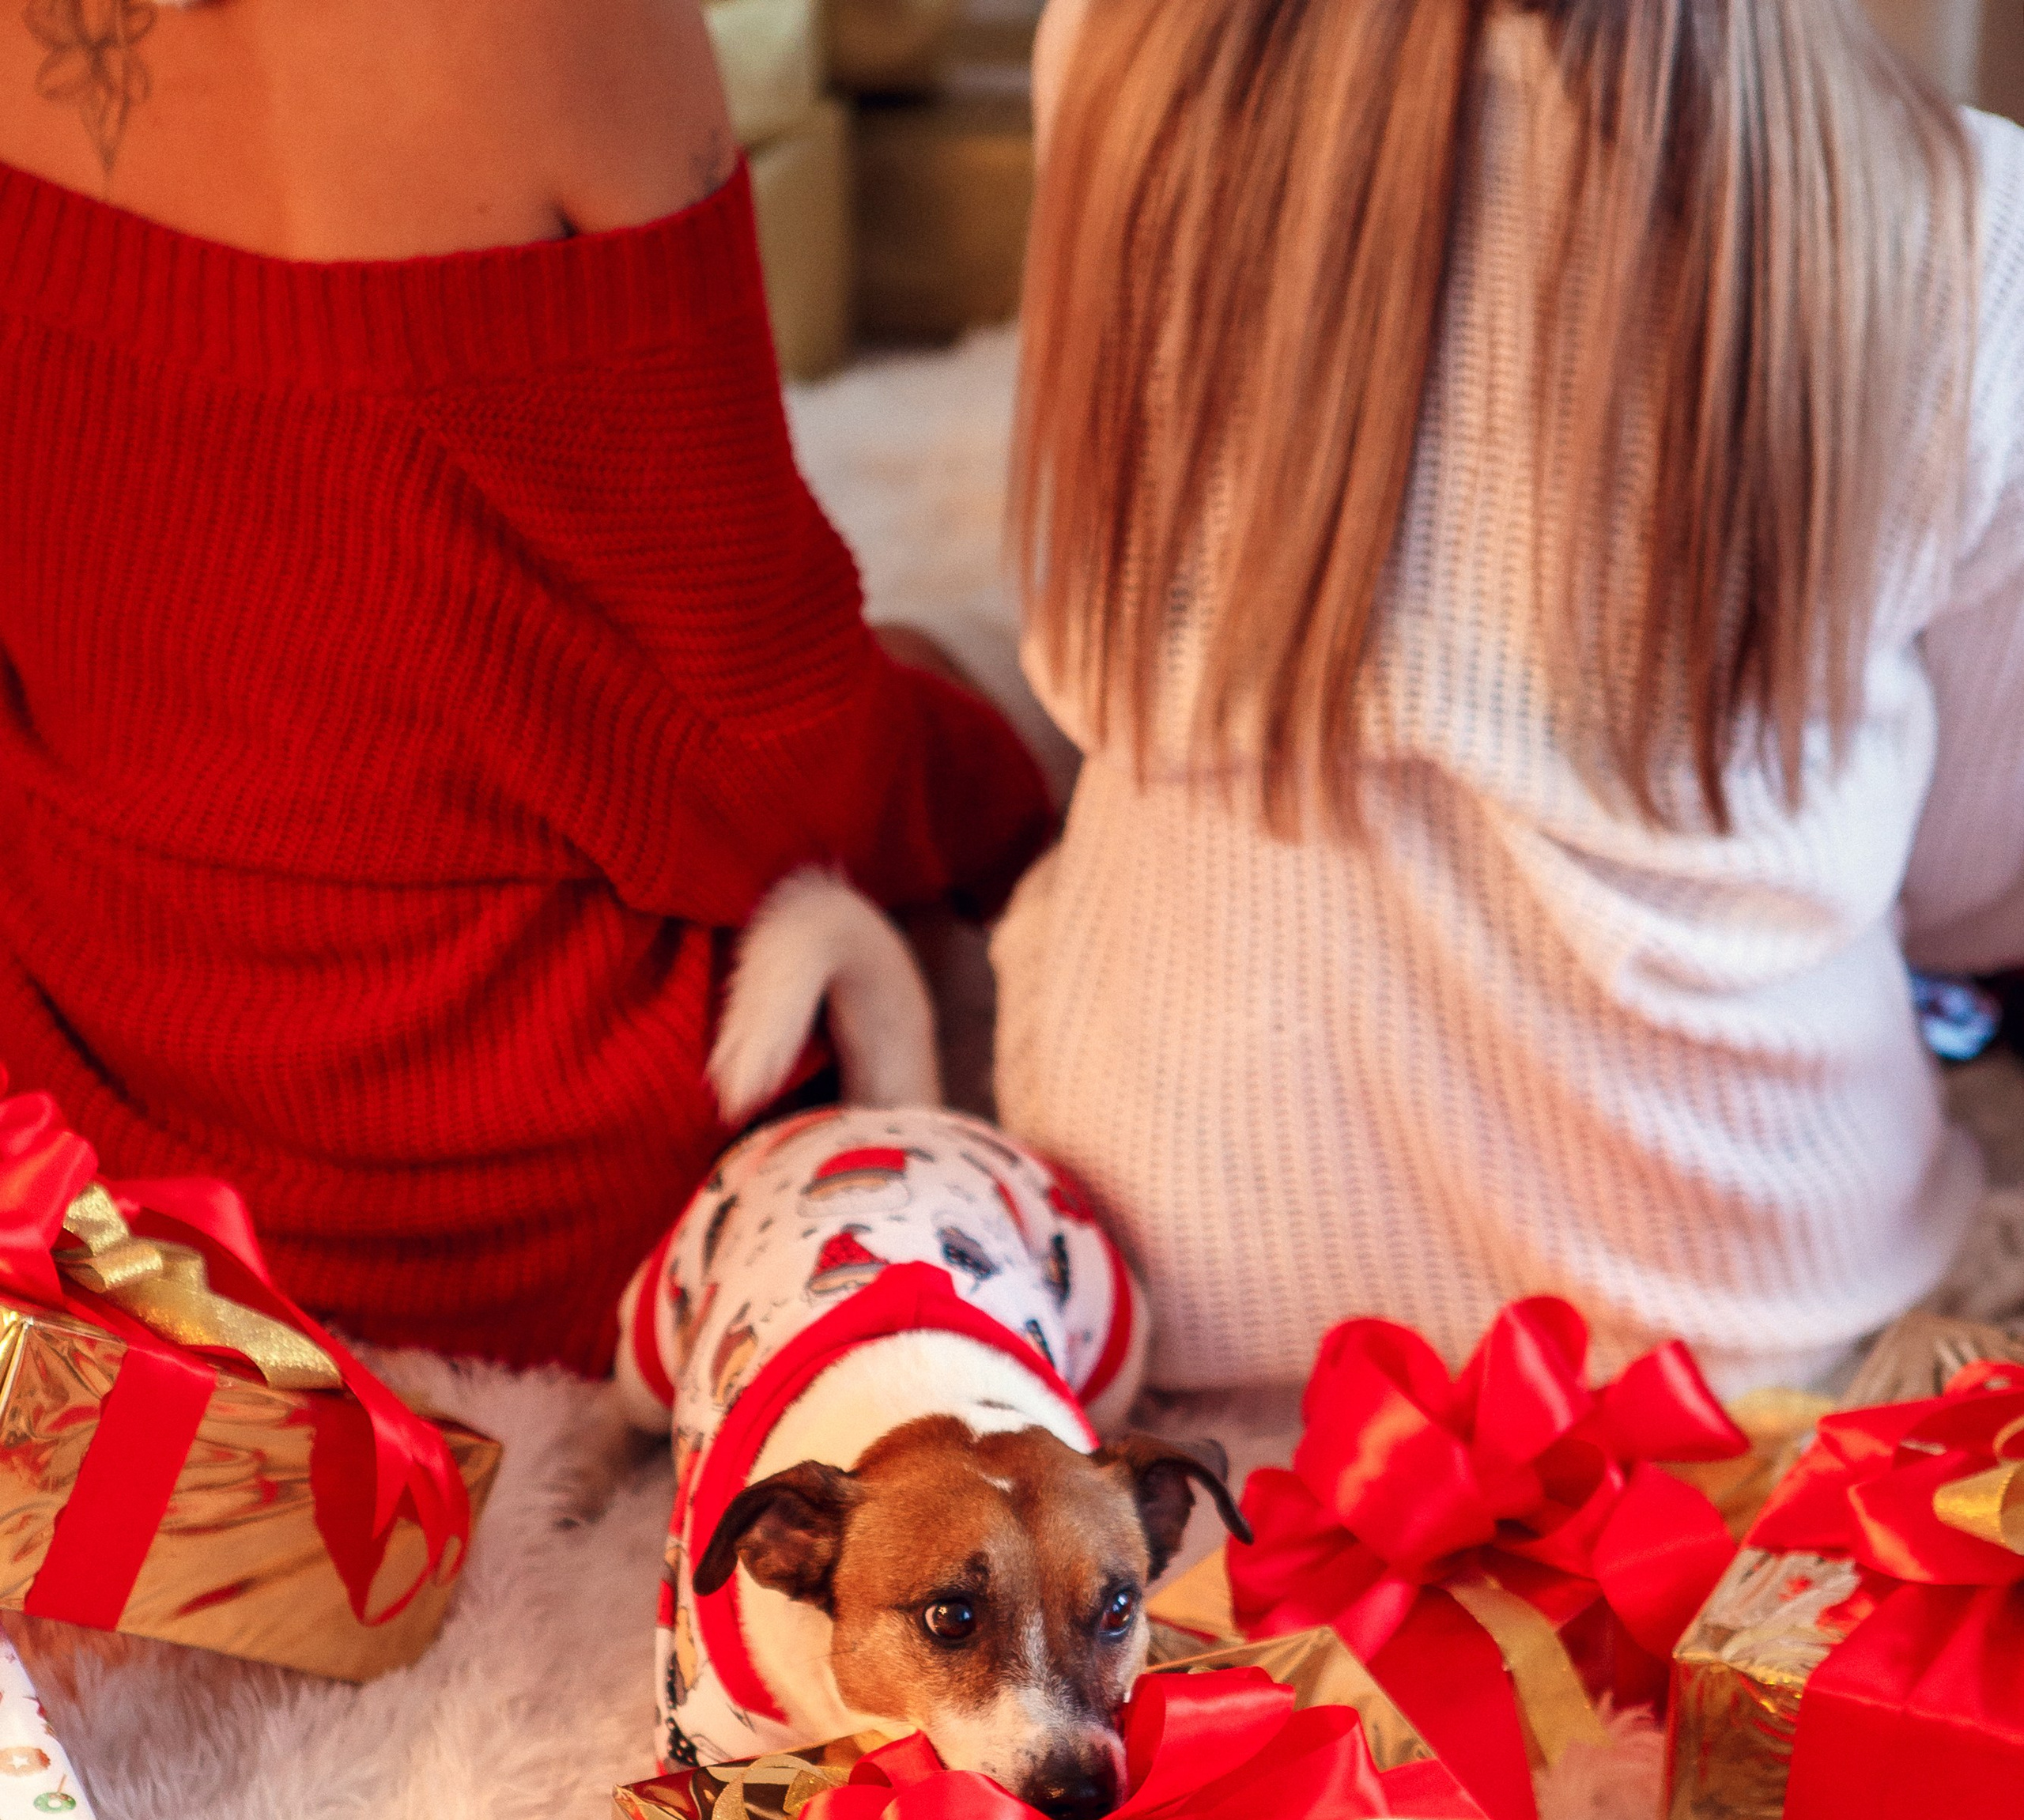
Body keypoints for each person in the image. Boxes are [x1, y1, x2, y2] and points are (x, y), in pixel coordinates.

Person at [0, 0, 1052, 1373]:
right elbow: (770, 753)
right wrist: (1021, 789)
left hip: (99, 1134)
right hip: (523, 1200)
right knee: (1003, 681)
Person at [995, 0, 2024, 1398]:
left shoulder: (1106, 50)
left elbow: (1087, 606)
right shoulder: (1977, 229)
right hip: (1742, 1292)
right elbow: (1980, 877)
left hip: (1166, 1233)